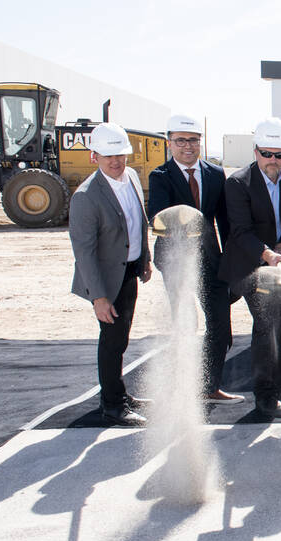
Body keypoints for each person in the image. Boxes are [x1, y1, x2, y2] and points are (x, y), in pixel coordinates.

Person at [217, 117, 281, 420]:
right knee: (266, 325)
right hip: (251, 265)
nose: (273, 160)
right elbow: (240, 231)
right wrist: (268, 254)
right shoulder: (238, 183)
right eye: (267, 154)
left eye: (279, 154)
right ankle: (264, 395)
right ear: (256, 151)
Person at [147, 113, 241, 404]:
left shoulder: (214, 173)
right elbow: (159, 219)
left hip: (212, 260)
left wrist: (230, 259)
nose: (187, 146)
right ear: (169, 143)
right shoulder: (160, 177)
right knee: (184, 323)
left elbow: (224, 221)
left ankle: (208, 387)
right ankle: (181, 387)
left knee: (220, 324)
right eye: (181, 141)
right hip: (176, 261)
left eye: (193, 140)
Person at [69, 122, 152, 426]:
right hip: (106, 281)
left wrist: (145, 258)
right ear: (94, 157)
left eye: (120, 155)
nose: (116, 162)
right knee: (112, 341)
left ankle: (118, 393)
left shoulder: (130, 176)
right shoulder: (86, 196)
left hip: (128, 271)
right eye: (108, 157)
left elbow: (138, 221)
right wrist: (99, 298)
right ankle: (113, 406)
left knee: (122, 338)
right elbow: (84, 252)